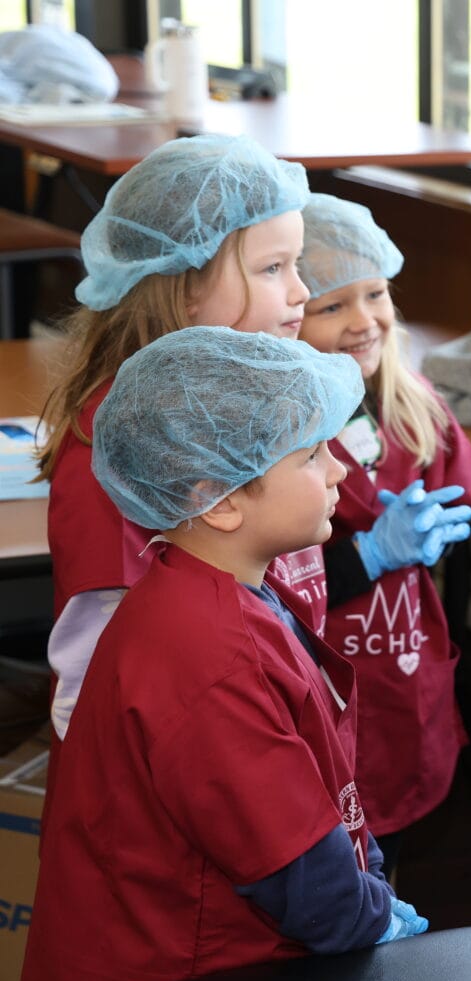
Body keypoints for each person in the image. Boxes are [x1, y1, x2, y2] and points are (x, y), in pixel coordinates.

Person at [19, 329, 429, 981]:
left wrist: (367, 879)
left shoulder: (217, 592)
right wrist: (371, 916)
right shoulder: (209, 656)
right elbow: (299, 875)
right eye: (309, 454)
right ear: (221, 500)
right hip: (187, 974)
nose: (338, 471)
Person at [36, 132, 321, 743]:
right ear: (183, 284)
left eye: (297, 264)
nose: (301, 292)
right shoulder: (115, 451)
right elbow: (97, 690)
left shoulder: (246, 399)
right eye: (272, 268)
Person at [296, 192, 471, 868]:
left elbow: (462, 496)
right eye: (331, 305)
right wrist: (369, 555)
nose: (363, 322)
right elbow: (265, 594)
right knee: (326, 841)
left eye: (376, 293)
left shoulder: (413, 405)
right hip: (320, 675)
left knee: (396, 844)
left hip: (402, 665)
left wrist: (434, 530)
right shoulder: (280, 432)